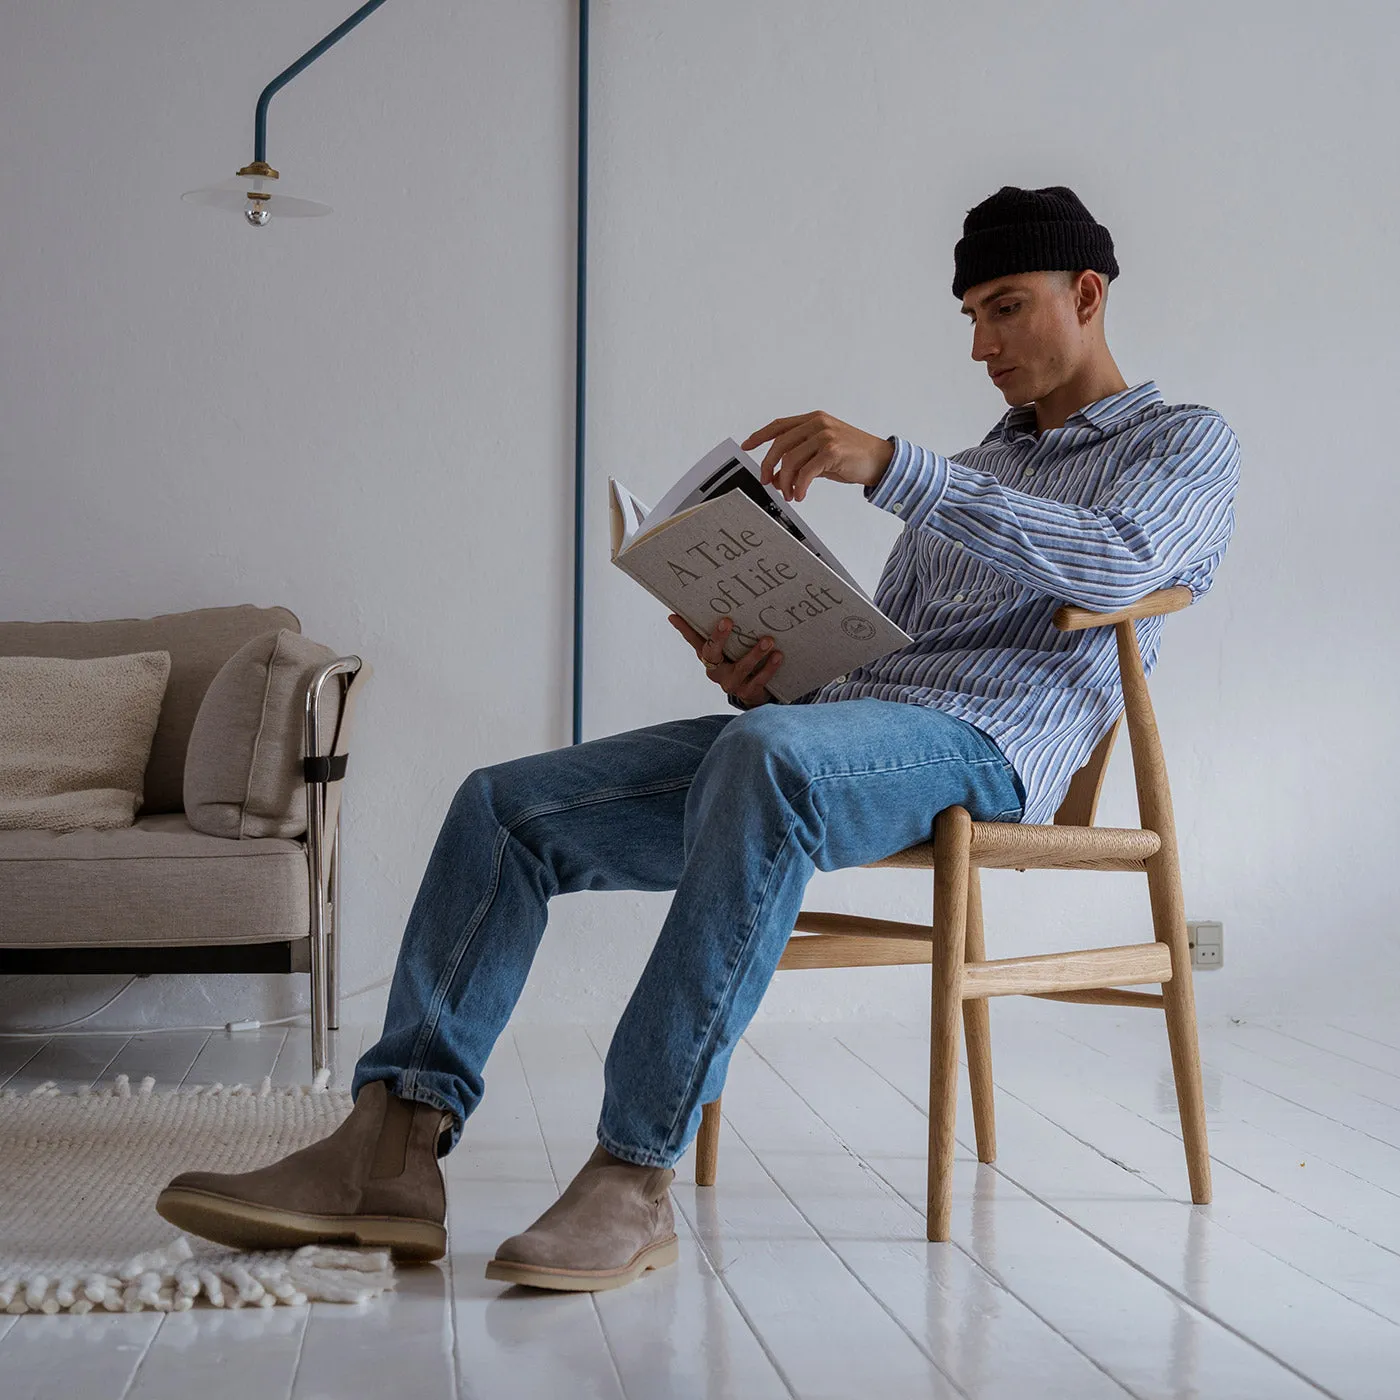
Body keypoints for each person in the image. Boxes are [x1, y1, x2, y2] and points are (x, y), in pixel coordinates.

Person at [156, 185, 1239, 1292]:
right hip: (846, 738)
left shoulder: (1186, 443)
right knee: (505, 805)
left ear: (1088, 294)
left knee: (764, 757)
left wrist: (897, 468)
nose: (981, 342)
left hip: (986, 748)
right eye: (968, 315)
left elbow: (1118, 563)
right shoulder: (978, 466)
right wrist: (770, 668)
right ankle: (390, 1147)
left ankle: (631, 1171)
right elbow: (884, 659)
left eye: (1004, 307)